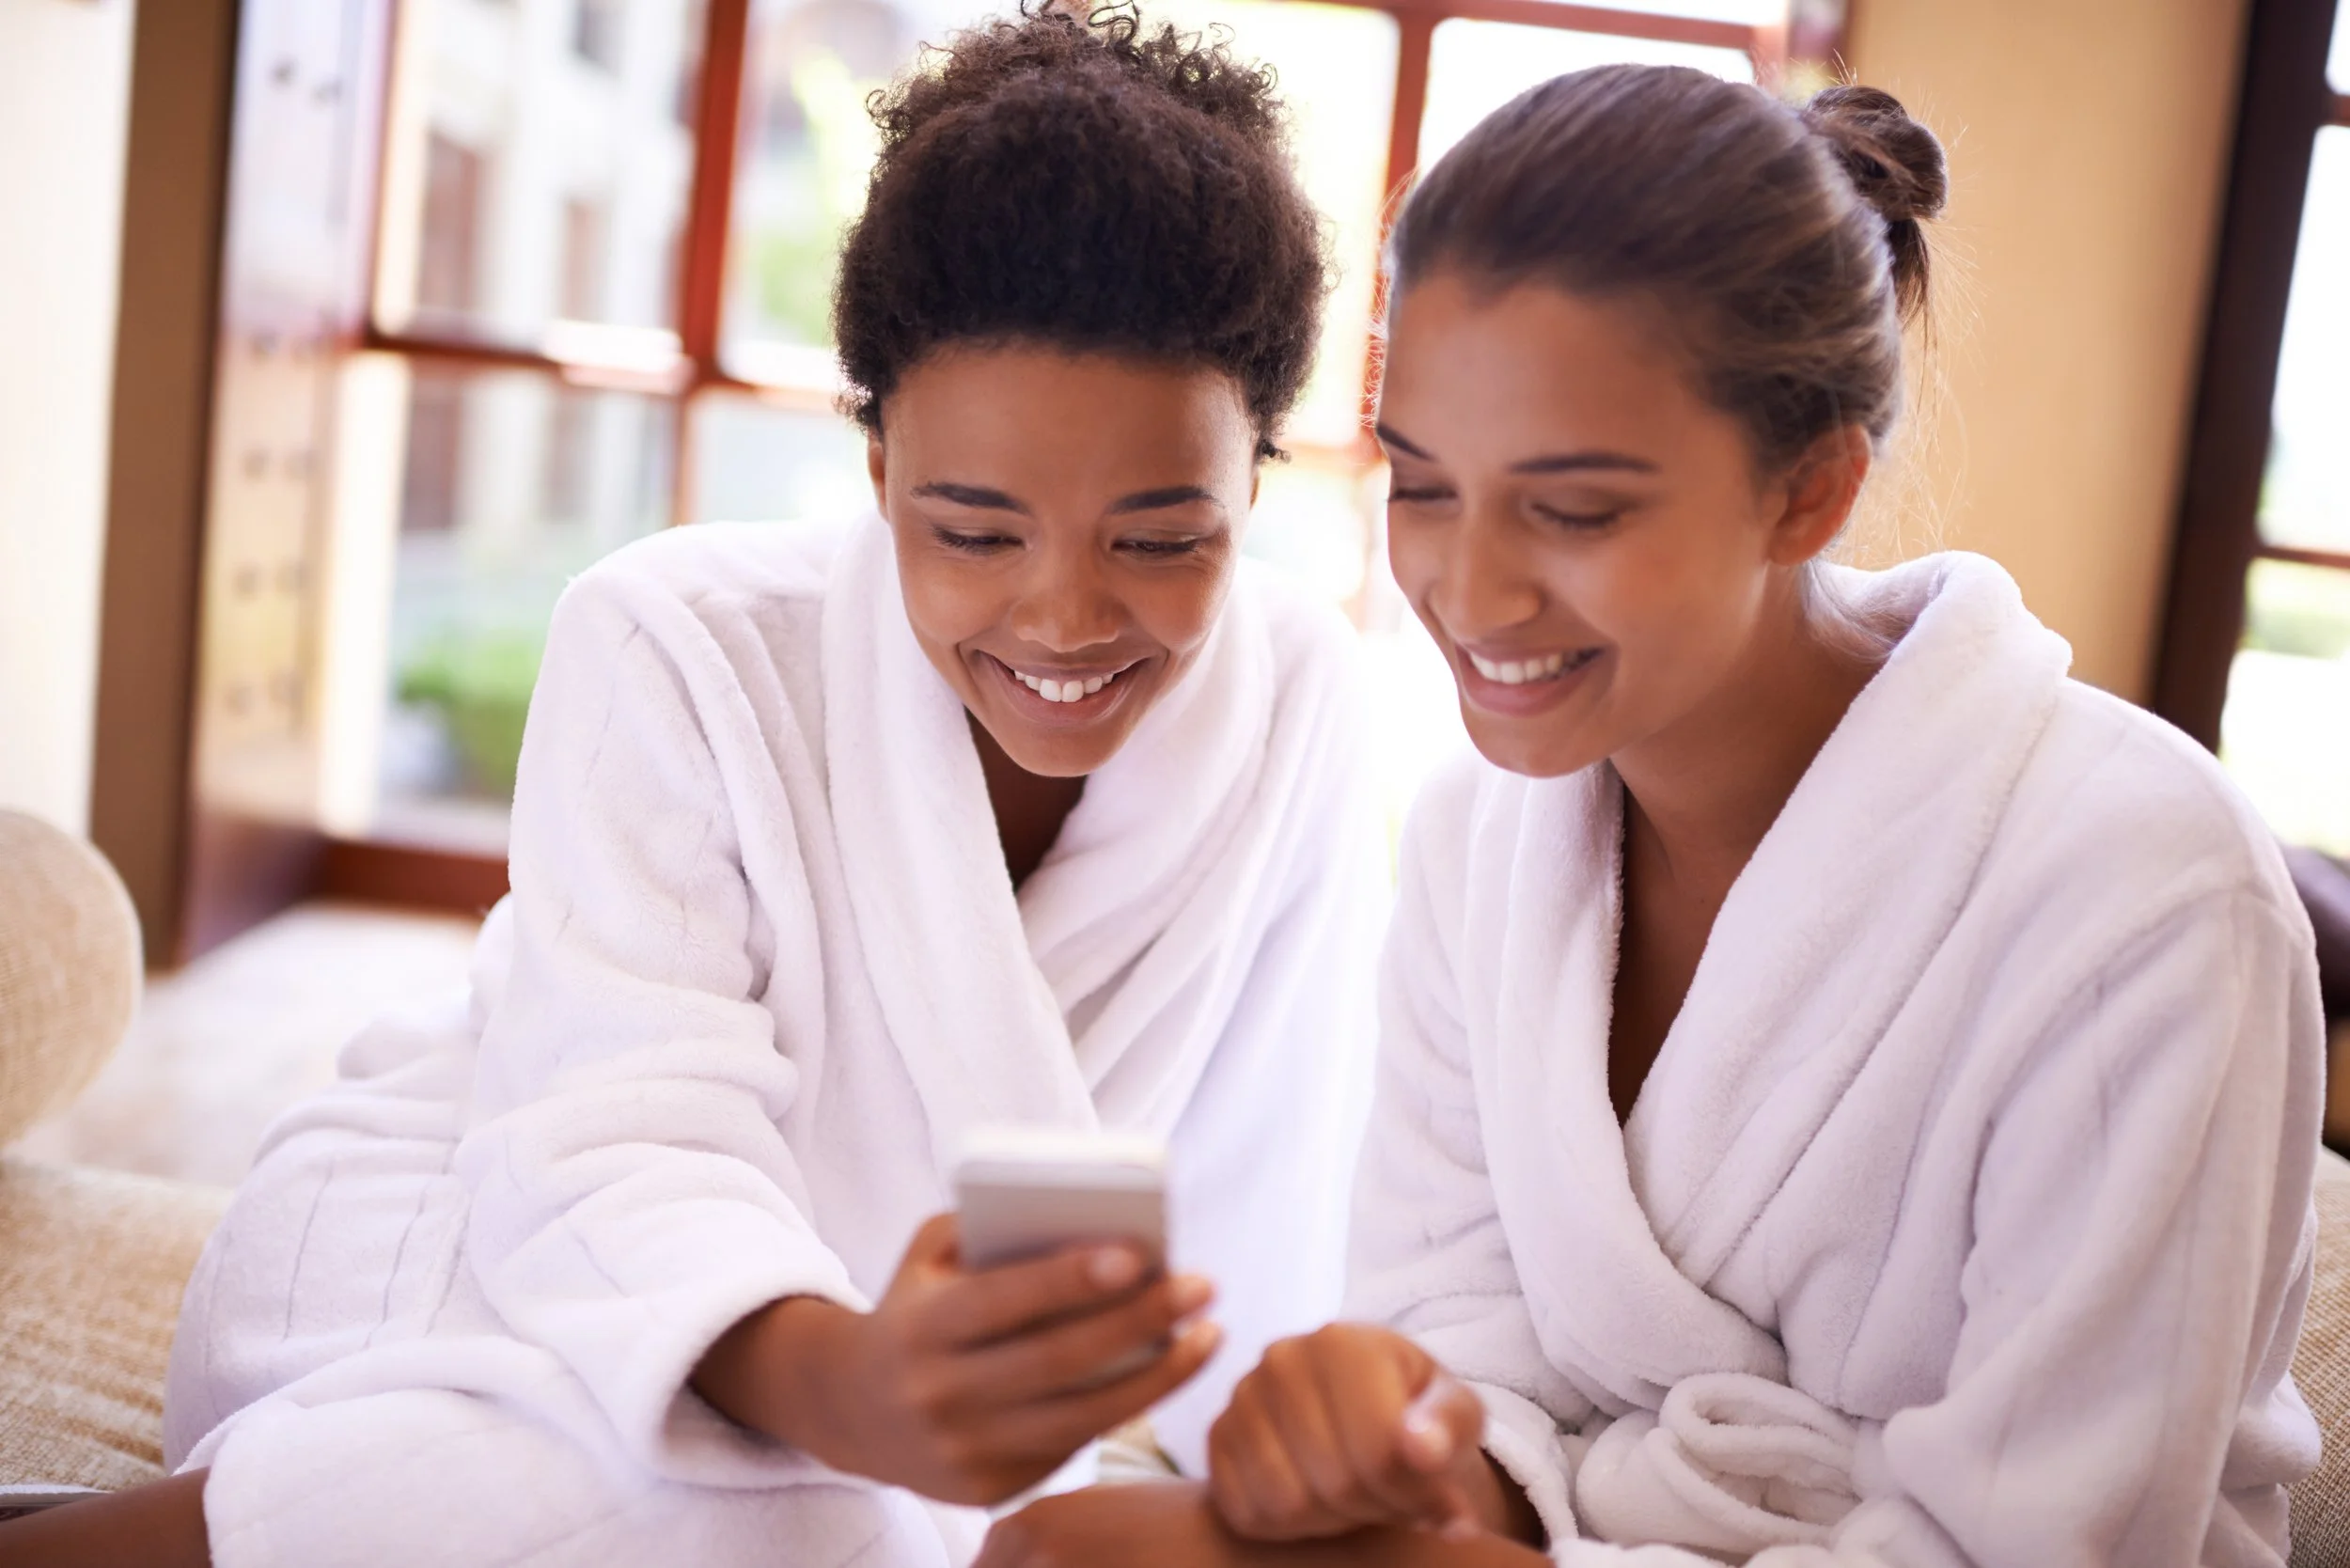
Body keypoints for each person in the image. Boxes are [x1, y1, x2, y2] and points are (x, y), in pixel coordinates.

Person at [0, 9, 1382, 1565]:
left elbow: (1287, 1162)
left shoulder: (1298, 701)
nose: (1063, 619)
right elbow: (616, 1128)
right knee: (820, 1522)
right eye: (976, 532)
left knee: (877, 1520)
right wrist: (841, 1388)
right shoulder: (677, 640)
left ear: (1255, 476)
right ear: (875, 472)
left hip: (884, 1384)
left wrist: (1288, 1434)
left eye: (1161, 538)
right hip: (487, 1245)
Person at [977, 64, 2326, 1568]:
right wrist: (1399, 1438)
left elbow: (2047, 1542)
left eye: (1574, 509)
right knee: (1064, 1549)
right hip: (1578, 1542)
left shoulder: (2144, 896)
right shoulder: (1481, 839)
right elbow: (1461, 1355)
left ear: (1808, 492)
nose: (1471, 595)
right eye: (1425, 488)